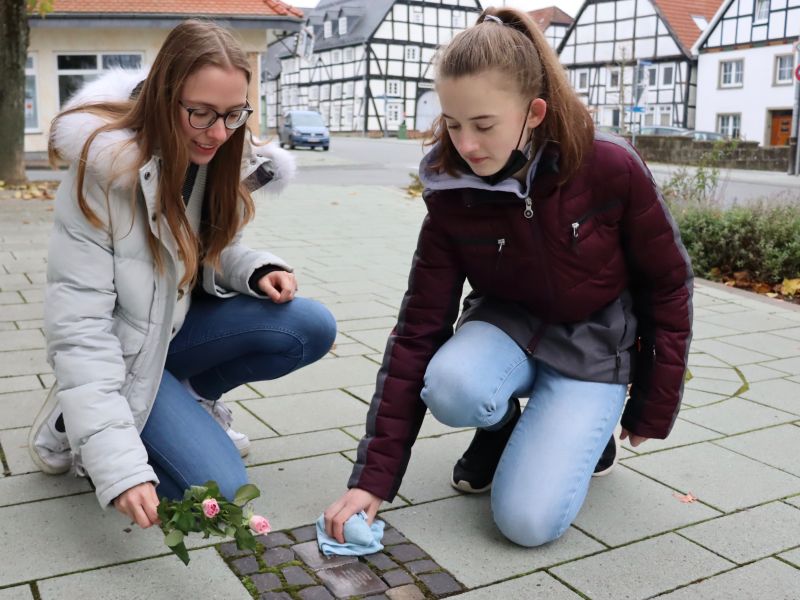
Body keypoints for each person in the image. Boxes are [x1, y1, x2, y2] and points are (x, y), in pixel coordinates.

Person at [324, 7, 692, 547]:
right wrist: (371, 481)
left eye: (484, 125)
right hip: (506, 327)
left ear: (534, 112)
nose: (466, 145)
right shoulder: (452, 190)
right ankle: (501, 426)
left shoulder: (609, 166)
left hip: (592, 347)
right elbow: (419, 327)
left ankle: (588, 438)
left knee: (525, 525)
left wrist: (651, 404)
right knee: (449, 384)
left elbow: (668, 286)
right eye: (452, 123)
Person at [28, 20, 337, 530]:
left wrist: (255, 269)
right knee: (224, 493)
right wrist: (119, 468)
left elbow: (211, 249)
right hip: (123, 352)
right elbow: (79, 333)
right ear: (163, 99)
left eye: (234, 114)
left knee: (307, 325)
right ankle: (73, 419)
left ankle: (189, 396)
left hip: (174, 331)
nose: (219, 132)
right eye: (201, 113)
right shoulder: (101, 177)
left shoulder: (217, 154)